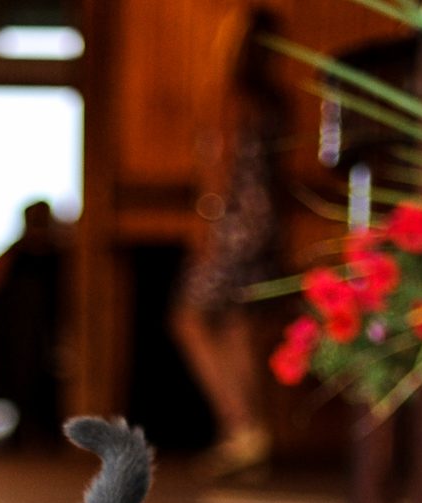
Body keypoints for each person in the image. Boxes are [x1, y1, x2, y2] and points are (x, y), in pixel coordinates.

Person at [170, 5, 287, 475]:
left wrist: (205, 225)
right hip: (266, 223)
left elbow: (216, 170)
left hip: (232, 225)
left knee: (190, 320)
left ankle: (240, 425)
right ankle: (250, 433)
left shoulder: (231, 99)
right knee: (240, 328)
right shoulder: (275, 102)